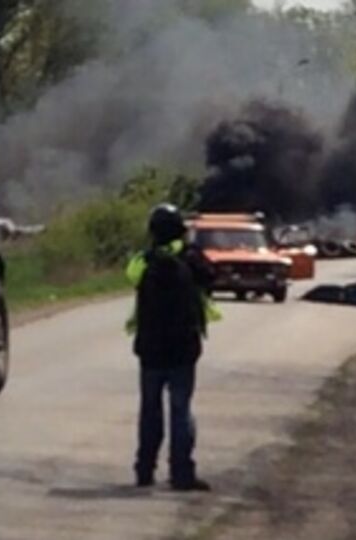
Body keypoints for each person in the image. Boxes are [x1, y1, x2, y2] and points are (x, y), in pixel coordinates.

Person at [125, 203, 215, 491]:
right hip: (183, 350)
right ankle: (181, 473)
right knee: (181, 410)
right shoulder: (191, 258)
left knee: (149, 411)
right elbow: (211, 277)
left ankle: (144, 470)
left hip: (150, 350)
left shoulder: (143, 260)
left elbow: (131, 277)